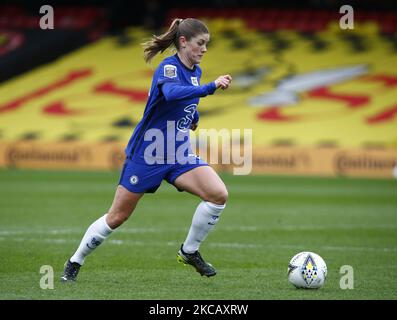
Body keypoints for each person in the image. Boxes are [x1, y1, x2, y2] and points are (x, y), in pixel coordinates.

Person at [61, 18, 232, 281]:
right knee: (117, 216)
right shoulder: (169, 68)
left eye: (206, 44)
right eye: (201, 43)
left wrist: (193, 116)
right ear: (183, 42)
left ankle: (189, 251)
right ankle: (75, 261)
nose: (205, 49)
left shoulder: (195, 71)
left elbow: (183, 102)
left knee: (218, 194)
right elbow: (173, 93)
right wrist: (211, 87)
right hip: (148, 153)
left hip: (177, 153)